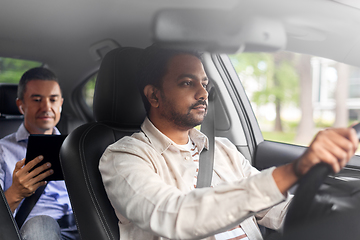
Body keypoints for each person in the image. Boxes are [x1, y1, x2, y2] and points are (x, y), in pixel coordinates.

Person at [99, 46, 358, 240]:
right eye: (187, 83)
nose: (202, 93)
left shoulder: (222, 150)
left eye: (204, 83)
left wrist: (338, 214)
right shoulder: (123, 157)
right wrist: (293, 171)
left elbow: (274, 208)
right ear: (154, 95)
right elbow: (175, 216)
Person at [0, 67, 79, 240]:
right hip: (36, 230)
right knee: (41, 224)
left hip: (82, 226)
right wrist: (16, 192)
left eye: (53, 99)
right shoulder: (2, 151)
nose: (46, 107)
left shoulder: (77, 147)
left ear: (61, 104)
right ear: (21, 106)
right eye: (37, 100)